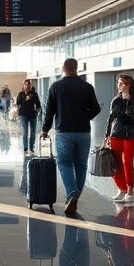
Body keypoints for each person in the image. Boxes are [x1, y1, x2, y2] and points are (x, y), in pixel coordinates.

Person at [41, 58, 101, 215]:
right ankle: (74, 198)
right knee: (81, 165)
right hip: (83, 132)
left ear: (63, 68)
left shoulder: (56, 86)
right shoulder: (87, 87)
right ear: (77, 69)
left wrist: (45, 129)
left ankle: (72, 194)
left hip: (64, 131)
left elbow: (49, 111)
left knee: (65, 163)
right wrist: (84, 117)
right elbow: (96, 108)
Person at [105, 74, 134, 204]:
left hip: (131, 134)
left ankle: (130, 190)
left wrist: (133, 116)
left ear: (128, 85)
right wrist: (107, 134)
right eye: (118, 83)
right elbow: (111, 118)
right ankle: (121, 188)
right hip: (116, 133)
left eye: (121, 83)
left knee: (127, 162)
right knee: (115, 163)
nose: (118, 86)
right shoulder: (115, 100)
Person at [16, 79, 41, 154]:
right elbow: (18, 103)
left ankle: (31, 147)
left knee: (33, 131)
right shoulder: (21, 94)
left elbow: (38, 105)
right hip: (23, 115)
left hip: (32, 115)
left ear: (31, 85)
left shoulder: (34, 94)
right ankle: (25, 147)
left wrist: (37, 111)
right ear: (23, 85)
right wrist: (25, 99)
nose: (27, 86)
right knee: (25, 131)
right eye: (25, 84)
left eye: (28, 84)